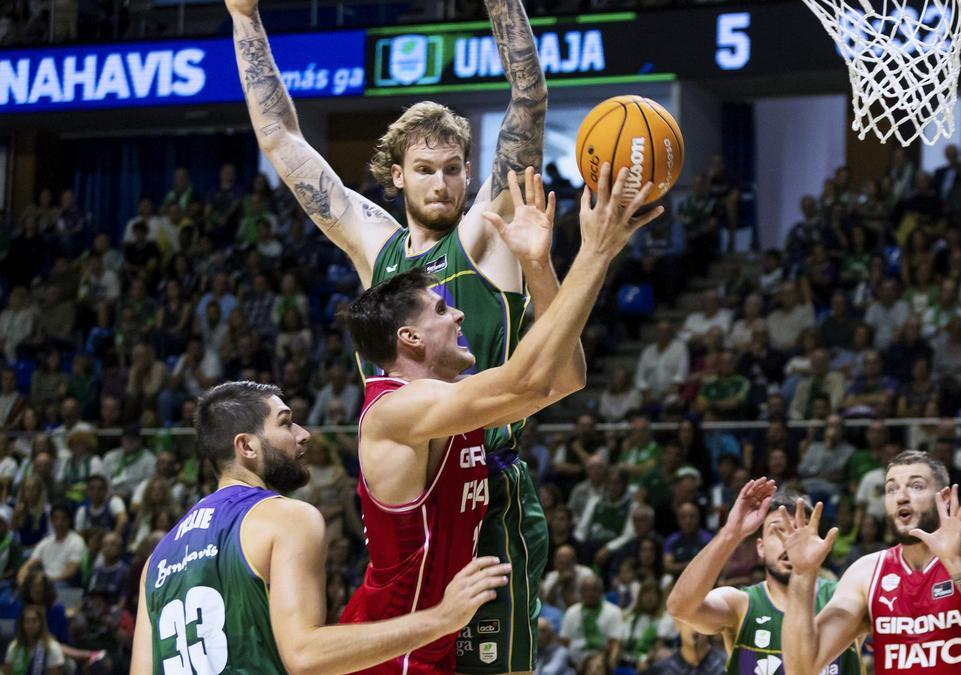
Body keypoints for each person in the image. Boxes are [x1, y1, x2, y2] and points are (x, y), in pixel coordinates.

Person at [229, 0, 567, 666]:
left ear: (470, 173)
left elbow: (529, 95)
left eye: (452, 168)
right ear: (396, 175)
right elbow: (283, 141)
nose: (441, 182)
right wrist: (245, 18)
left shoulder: (485, 236)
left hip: (483, 495)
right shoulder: (376, 248)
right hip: (405, 503)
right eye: (424, 169)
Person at [338, 166, 661, 674]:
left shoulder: (451, 403)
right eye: (442, 310)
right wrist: (595, 251)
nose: (460, 315)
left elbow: (565, 379)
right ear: (411, 339)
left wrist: (538, 267)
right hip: (392, 649)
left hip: (433, 637)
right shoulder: (398, 410)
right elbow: (528, 380)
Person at [130, 382, 511, 675]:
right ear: (246, 446)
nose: (303, 434)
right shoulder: (286, 518)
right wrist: (442, 618)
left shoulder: (158, 558)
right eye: (285, 423)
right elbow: (305, 654)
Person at [779, 450, 961, 674]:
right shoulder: (866, 573)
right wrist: (802, 575)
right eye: (891, 488)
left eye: (916, 486)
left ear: (943, 498)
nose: (901, 496)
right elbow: (801, 668)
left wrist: (955, 563)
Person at [667, 481, 859, 675]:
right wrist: (731, 533)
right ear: (760, 547)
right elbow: (680, 608)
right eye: (777, 531)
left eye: (799, 531)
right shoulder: (741, 605)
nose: (789, 542)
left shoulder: (845, 598)